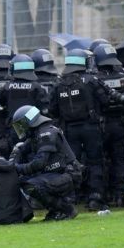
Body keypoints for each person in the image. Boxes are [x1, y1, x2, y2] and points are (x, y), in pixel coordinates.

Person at [49, 48, 109, 210]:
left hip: (68, 130)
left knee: (71, 164)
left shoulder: (59, 83)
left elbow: (52, 109)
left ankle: (71, 197)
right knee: (95, 161)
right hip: (91, 127)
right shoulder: (90, 80)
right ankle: (95, 197)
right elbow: (105, 100)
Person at [10, 104, 80, 221]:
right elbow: (20, 150)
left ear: (29, 120)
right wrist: (12, 161)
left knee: (31, 185)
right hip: (56, 174)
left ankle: (66, 209)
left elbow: (38, 164)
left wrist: (16, 168)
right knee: (23, 180)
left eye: (22, 124)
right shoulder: (37, 134)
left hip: (67, 175)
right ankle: (55, 210)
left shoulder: (46, 134)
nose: (21, 128)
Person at [94, 43, 124, 208]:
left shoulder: (95, 78)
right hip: (122, 124)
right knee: (120, 161)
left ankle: (103, 197)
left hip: (101, 125)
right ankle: (119, 196)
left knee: (101, 161)